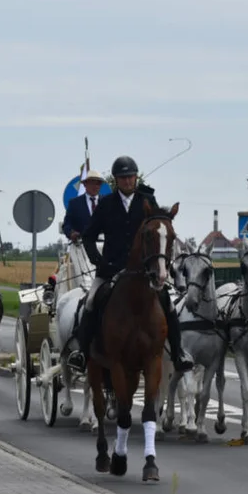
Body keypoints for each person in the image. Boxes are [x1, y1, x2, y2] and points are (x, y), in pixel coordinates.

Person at [66, 155, 194, 375]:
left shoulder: (147, 201)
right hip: (110, 268)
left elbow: (159, 231)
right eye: (123, 178)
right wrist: (98, 261)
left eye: (131, 177)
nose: (128, 181)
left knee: (169, 303)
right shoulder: (106, 204)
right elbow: (88, 237)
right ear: (116, 180)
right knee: (90, 302)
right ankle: (82, 354)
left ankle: (178, 352)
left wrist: (160, 262)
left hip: (144, 272)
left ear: (136, 178)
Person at [62, 169, 104, 240]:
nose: (95, 186)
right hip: (82, 245)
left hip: (105, 245)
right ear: (85, 184)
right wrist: (71, 233)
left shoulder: (107, 202)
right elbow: (67, 224)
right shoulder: (75, 204)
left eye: (98, 183)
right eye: (92, 183)